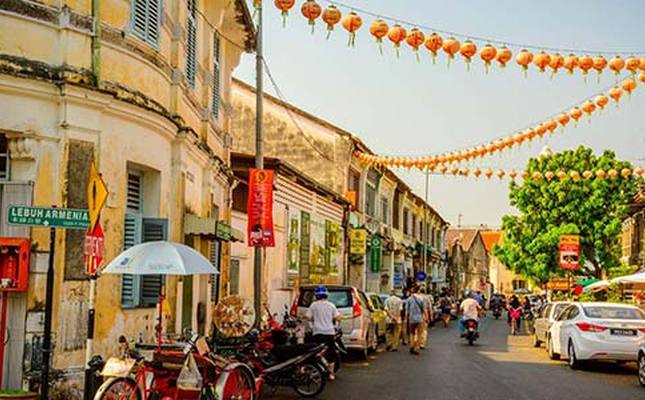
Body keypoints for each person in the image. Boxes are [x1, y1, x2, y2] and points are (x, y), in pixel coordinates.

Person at [305, 286, 343, 380]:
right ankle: (331, 374)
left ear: (316, 295)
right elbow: (338, 317)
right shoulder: (331, 305)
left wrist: (315, 318)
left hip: (317, 332)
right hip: (329, 333)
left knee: (315, 352)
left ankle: (316, 371)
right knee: (331, 353)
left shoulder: (313, 305)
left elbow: (308, 317)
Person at [405, 286, 429, 355]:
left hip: (412, 318)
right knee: (419, 333)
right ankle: (417, 347)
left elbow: (407, 310)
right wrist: (427, 318)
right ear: (418, 291)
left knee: (412, 333)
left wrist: (406, 318)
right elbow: (424, 310)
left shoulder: (409, 299)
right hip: (420, 319)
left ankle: (412, 345)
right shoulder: (421, 299)